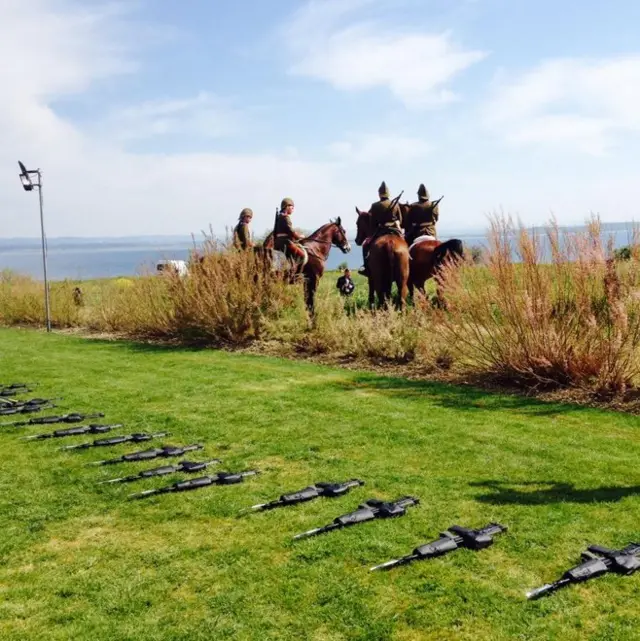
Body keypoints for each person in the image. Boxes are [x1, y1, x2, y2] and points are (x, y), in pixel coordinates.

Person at [359, 181, 403, 276]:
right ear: (388, 194)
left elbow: (372, 223)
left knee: (365, 245)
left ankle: (366, 266)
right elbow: (400, 219)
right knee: (405, 243)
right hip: (394, 231)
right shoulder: (395, 204)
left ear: (379, 194)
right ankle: (409, 261)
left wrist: (371, 234)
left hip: (380, 231)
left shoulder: (375, 205)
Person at [273, 197, 306, 265]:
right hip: (286, 242)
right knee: (302, 256)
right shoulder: (286, 217)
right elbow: (291, 231)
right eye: (292, 207)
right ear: (287, 207)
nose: (293, 209)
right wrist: (299, 237)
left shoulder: (279, 216)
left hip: (278, 242)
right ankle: (294, 273)